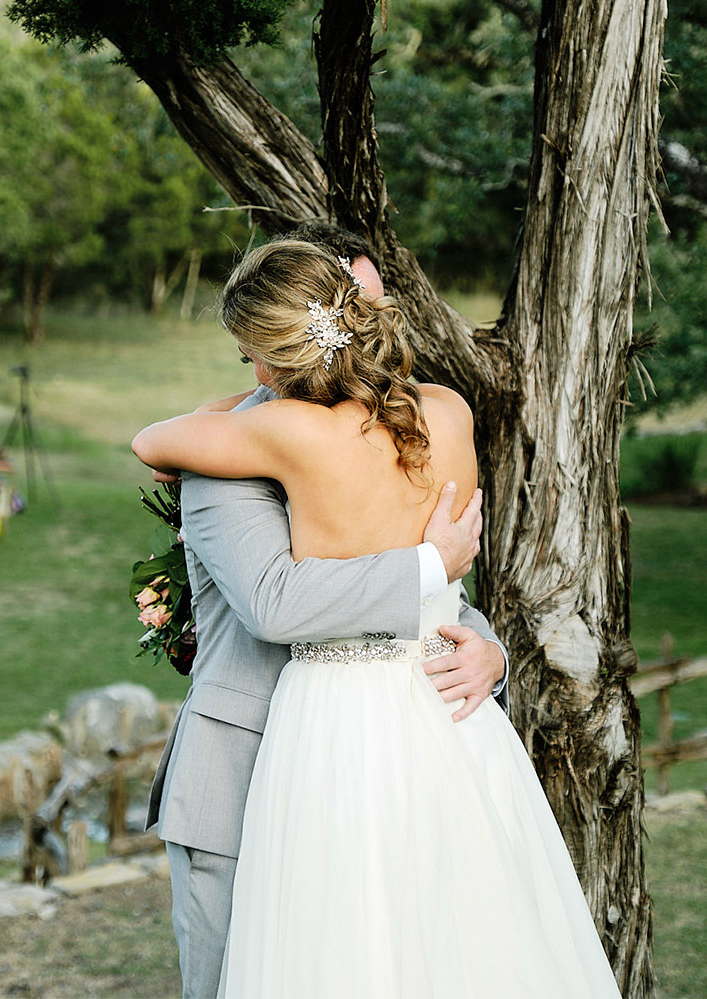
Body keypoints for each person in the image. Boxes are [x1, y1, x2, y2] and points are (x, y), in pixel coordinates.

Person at [134, 239, 620, 998]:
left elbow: (449, 601)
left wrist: (486, 650)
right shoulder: (439, 416)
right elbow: (280, 602)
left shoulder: (268, 436)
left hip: (344, 738)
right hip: (259, 768)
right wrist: (430, 566)